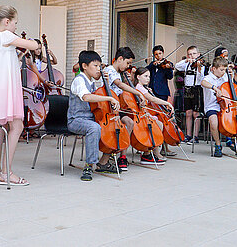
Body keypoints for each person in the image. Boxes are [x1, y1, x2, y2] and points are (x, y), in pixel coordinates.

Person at [0, 5, 39, 186]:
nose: (16, 27)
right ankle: (7, 172)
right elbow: (34, 45)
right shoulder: (7, 36)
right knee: (17, 126)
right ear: (7, 21)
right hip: (6, 89)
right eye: (15, 23)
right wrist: (33, 43)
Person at [67, 50, 121, 181]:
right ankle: (89, 165)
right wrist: (109, 98)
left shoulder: (91, 82)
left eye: (100, 66)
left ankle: (103, 162)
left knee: (113, 128)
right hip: (76, 120)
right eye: (95, 66)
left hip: (90, 118)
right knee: (94, 128)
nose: (99, 69)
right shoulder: (79, 80)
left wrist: (106, 84)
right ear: (85, 66)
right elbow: (86, 97)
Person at [104, 47, 146, 171]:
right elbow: (120, 84)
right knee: (126, 123)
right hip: (108, 107)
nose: (128, 66)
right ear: (120, 59)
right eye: (127, 63)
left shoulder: (119, 73)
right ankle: (112, 152)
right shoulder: (110, 70)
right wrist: (138, 93)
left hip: (118, 107)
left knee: (130, 122)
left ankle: (122, 156)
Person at [201, 56, 237, 158]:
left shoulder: (226, 77)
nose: (223, 72)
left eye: (225, 69)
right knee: (214, 122)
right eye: (221, 69)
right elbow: (203, 83)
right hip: (212, 106)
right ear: (214, 69)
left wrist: (231, 77)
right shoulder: (208, 78)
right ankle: (218, 145)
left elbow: (231, 91)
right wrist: (214, 88)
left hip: (227, 106)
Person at [134, 67, 175, 164]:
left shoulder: (143, 88)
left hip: (145, 113)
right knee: (158, 125)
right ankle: (150, 153)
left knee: (159, 124)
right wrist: (167, 103)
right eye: (145, 76)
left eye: (149, 76)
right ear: (138, 77)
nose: (148, 78)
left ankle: (152, 152)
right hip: (141, 114)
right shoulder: (139, 87)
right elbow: (153, 99)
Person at [146, 45, 176, 156]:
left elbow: (170, 77)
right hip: (152, 93)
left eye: (160, 54)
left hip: (162, 94)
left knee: (163, 119)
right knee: (155, 119)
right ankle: (156, 145)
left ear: (163, 53)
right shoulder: (153, 66)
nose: (158, 56)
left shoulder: (166, 65)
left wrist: (168, 67)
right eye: (156, 55)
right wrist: (152, 65)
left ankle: (165, 147)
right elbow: (146, 71)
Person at [175, 46, 206, 144]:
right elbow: (177, 66)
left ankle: (195, 136)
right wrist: (186, 61)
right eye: (189, 54)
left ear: (198, 54)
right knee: (188, 113)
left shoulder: (201, 65)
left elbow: (202, 78)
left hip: (196, 89)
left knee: (195, 114)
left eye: (194, 54)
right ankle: (188, 135)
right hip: (187, 89)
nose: (192, 56)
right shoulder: (187, 64)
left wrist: (199, 66)